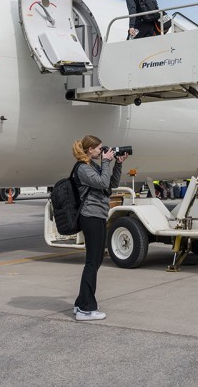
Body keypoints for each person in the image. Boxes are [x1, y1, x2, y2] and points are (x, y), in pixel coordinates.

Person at [72, 135, 129, 321]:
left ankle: (81, 303)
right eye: (100, 149)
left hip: (98, 216)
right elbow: (103, 182)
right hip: (91, 217)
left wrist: (117, 164)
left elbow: (109, 186)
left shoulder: (91, 166)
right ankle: (86, 309)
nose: (102, 152)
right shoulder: (82, 169)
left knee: (95, 262)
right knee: (92, 262)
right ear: (90, 150)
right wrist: (106, 161)